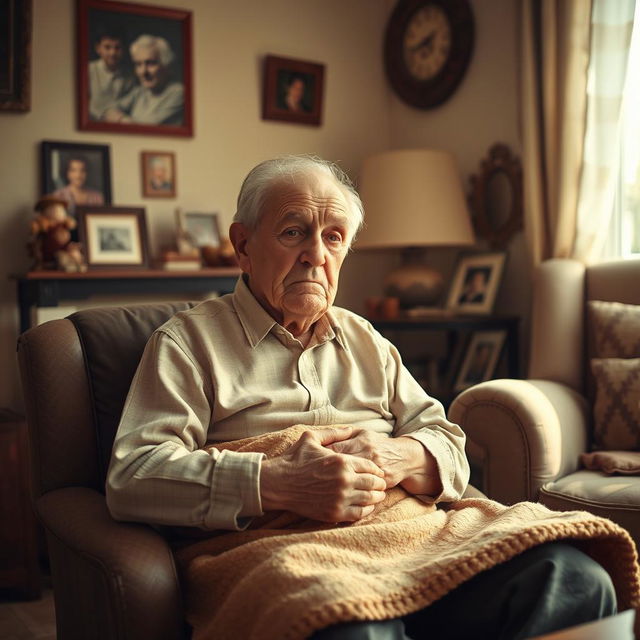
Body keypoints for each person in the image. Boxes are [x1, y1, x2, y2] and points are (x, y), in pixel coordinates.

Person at [106, 156, 616, 639]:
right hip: (286, 551)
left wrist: (397, 455)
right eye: (293, 232)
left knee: (573, 577)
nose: (316, 254)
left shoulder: (366, 339)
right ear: (242, 244)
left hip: (415, 542)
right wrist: (279, 483)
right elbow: (134, 476)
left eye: (334, 237)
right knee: (351, 623)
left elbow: (447, 443)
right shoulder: (186, 343)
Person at [104, 34, 184, 126]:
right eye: (138, 64)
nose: (143, 72)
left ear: (166, 65)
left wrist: (120, 119)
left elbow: (147, 128)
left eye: (151, 63)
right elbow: (108, 110)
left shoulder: (179, 93)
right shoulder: (140, 91)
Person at [88, 25, 135, 120]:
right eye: (107, 47)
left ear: (124, 49)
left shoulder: (130, 76)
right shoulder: (88, 70)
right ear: (98, 48)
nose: (113, 53)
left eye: (117, 48)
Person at [51, 154, 104, 219]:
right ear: (67, 173)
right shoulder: (58, 196)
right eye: (73, 170)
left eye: (82, 170)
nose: (78, 175)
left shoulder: (97, 196)